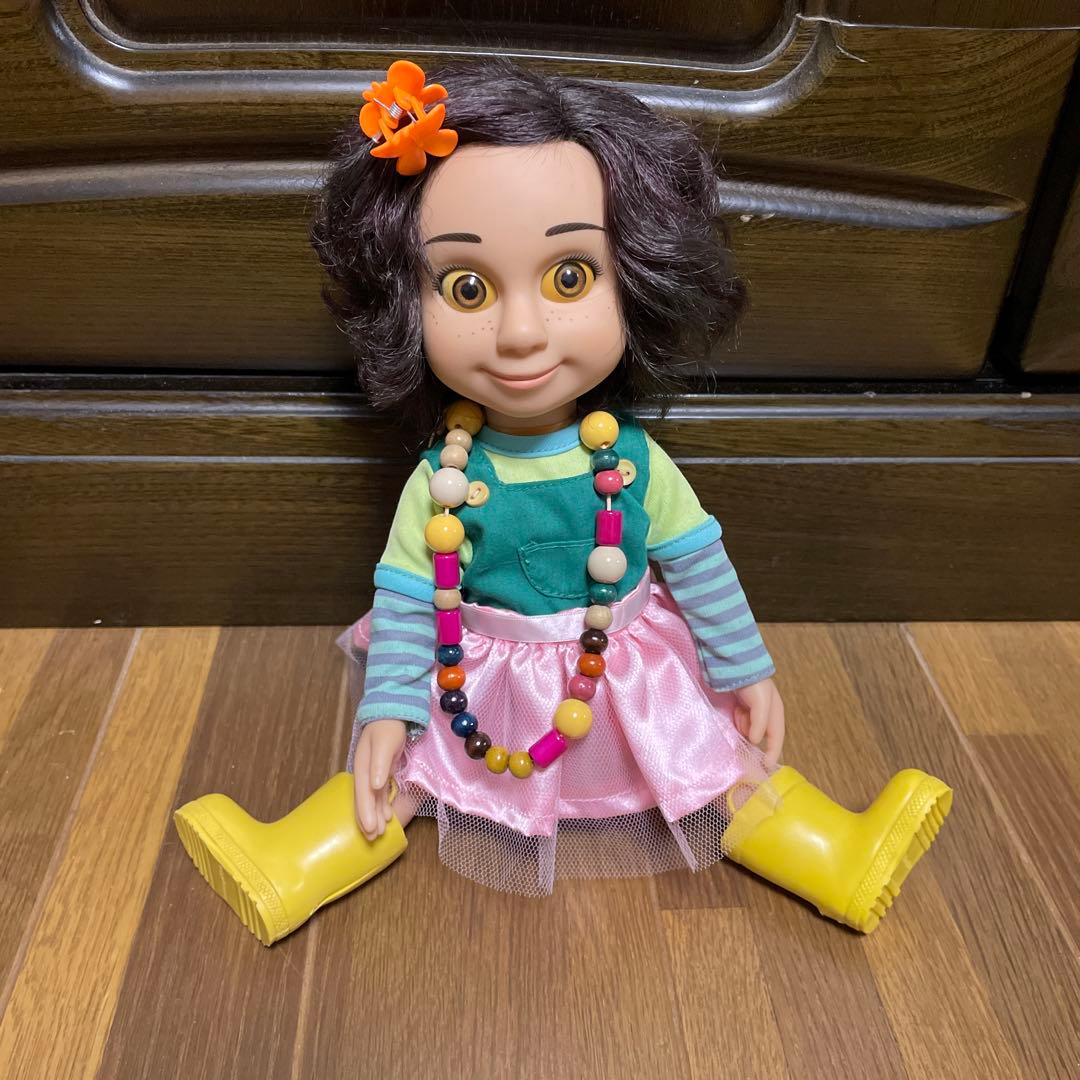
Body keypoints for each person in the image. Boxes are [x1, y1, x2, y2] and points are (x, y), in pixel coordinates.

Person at [174, 58, 951, 945]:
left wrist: (741, 668)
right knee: (401, 774)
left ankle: (838, 856)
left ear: (638, 279)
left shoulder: (632, 462)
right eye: (467, 288)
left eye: (570, 277)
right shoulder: (443, 477)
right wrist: (386, 708)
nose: (520, 332)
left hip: (625, 673)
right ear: (405, 301)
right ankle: (291, 866)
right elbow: (407, 595)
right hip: (485, 681)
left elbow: (697, 560)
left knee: (713, 766)